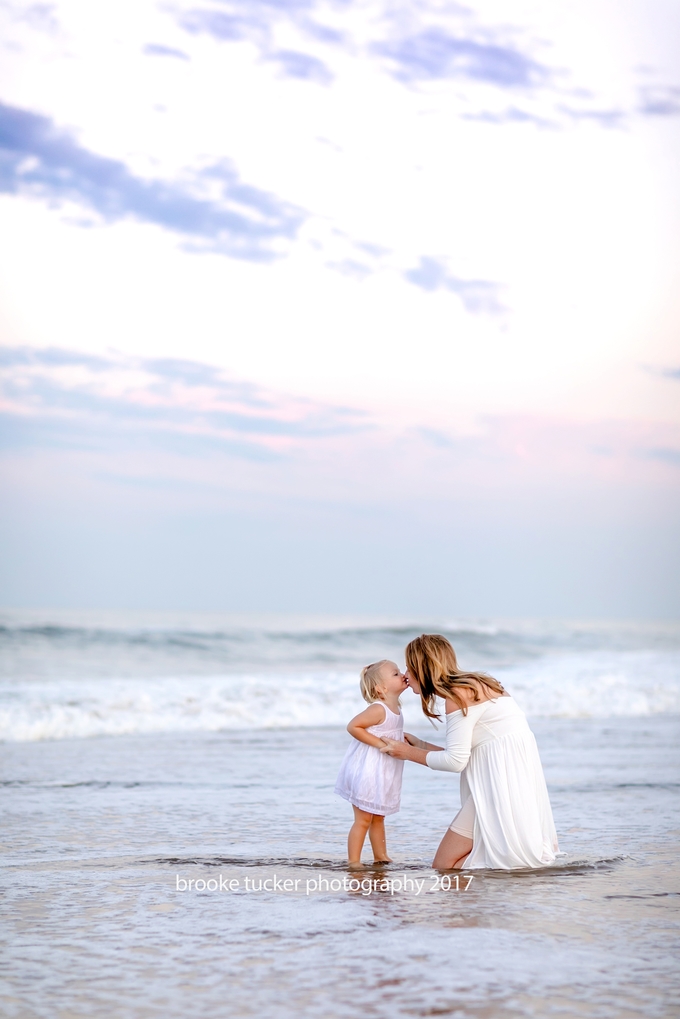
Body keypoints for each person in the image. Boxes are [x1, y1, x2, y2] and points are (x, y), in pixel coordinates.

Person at [381, 634, 559, 870]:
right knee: (466, 861)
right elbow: (472, 753)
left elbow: (455, 761)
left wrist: (405, 752)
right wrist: (420, 745)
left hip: (497, 791)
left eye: (409, 666)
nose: (405, 674)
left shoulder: (458, 694)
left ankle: (479, 903)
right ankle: (486, 900)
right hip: (508, 784)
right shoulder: (475, 684)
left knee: (444, 866)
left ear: (423, 667)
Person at [334, 660, 406, 865]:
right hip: (367, 770)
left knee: (379, 816)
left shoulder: (396, 708)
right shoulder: (379, 708)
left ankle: (380, 856)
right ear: (381, 688)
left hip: (382, 771)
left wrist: (401, 738)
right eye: (395, 673)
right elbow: (354, 726)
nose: (402, 675)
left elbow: (388, 730)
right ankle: (354, 861)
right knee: (364, 819)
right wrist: (380, 743)